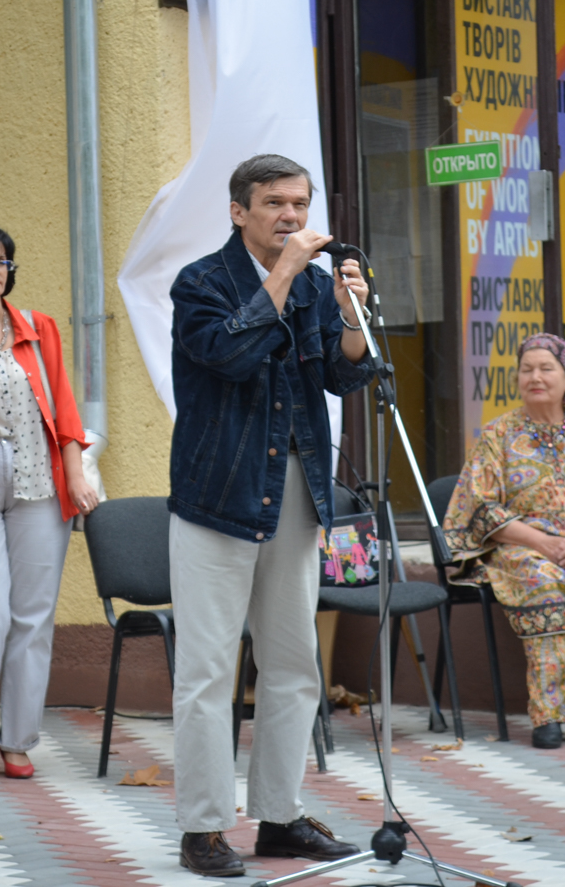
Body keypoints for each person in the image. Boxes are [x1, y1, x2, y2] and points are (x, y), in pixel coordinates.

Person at [166, 154, 373, 878]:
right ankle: (202, 829)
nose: (292, 216)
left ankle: (281, 818)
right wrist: (283, 272)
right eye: (276, 203)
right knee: (206, 669)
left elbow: (344, 374)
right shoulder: (200, 283)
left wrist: (350, 315)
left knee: (292, 664)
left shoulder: (315, 285)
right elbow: (227, 354)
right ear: (239, 211)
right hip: (217, 495)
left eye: (301, 204)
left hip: (294, 488)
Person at [0, 221, 97, 781]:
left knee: (33, 616)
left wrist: (75, 474)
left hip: (40, 478)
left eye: (3, 261)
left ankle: (18, 738)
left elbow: (64, 406)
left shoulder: (39, 327)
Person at [443, 332, 565, 751]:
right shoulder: (498, 434)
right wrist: (541, 542)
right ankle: (548, 715)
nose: (535, 377)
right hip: (523, 546)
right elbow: (480, 509)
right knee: (545, 583)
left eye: (546, 368)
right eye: (526, 369)